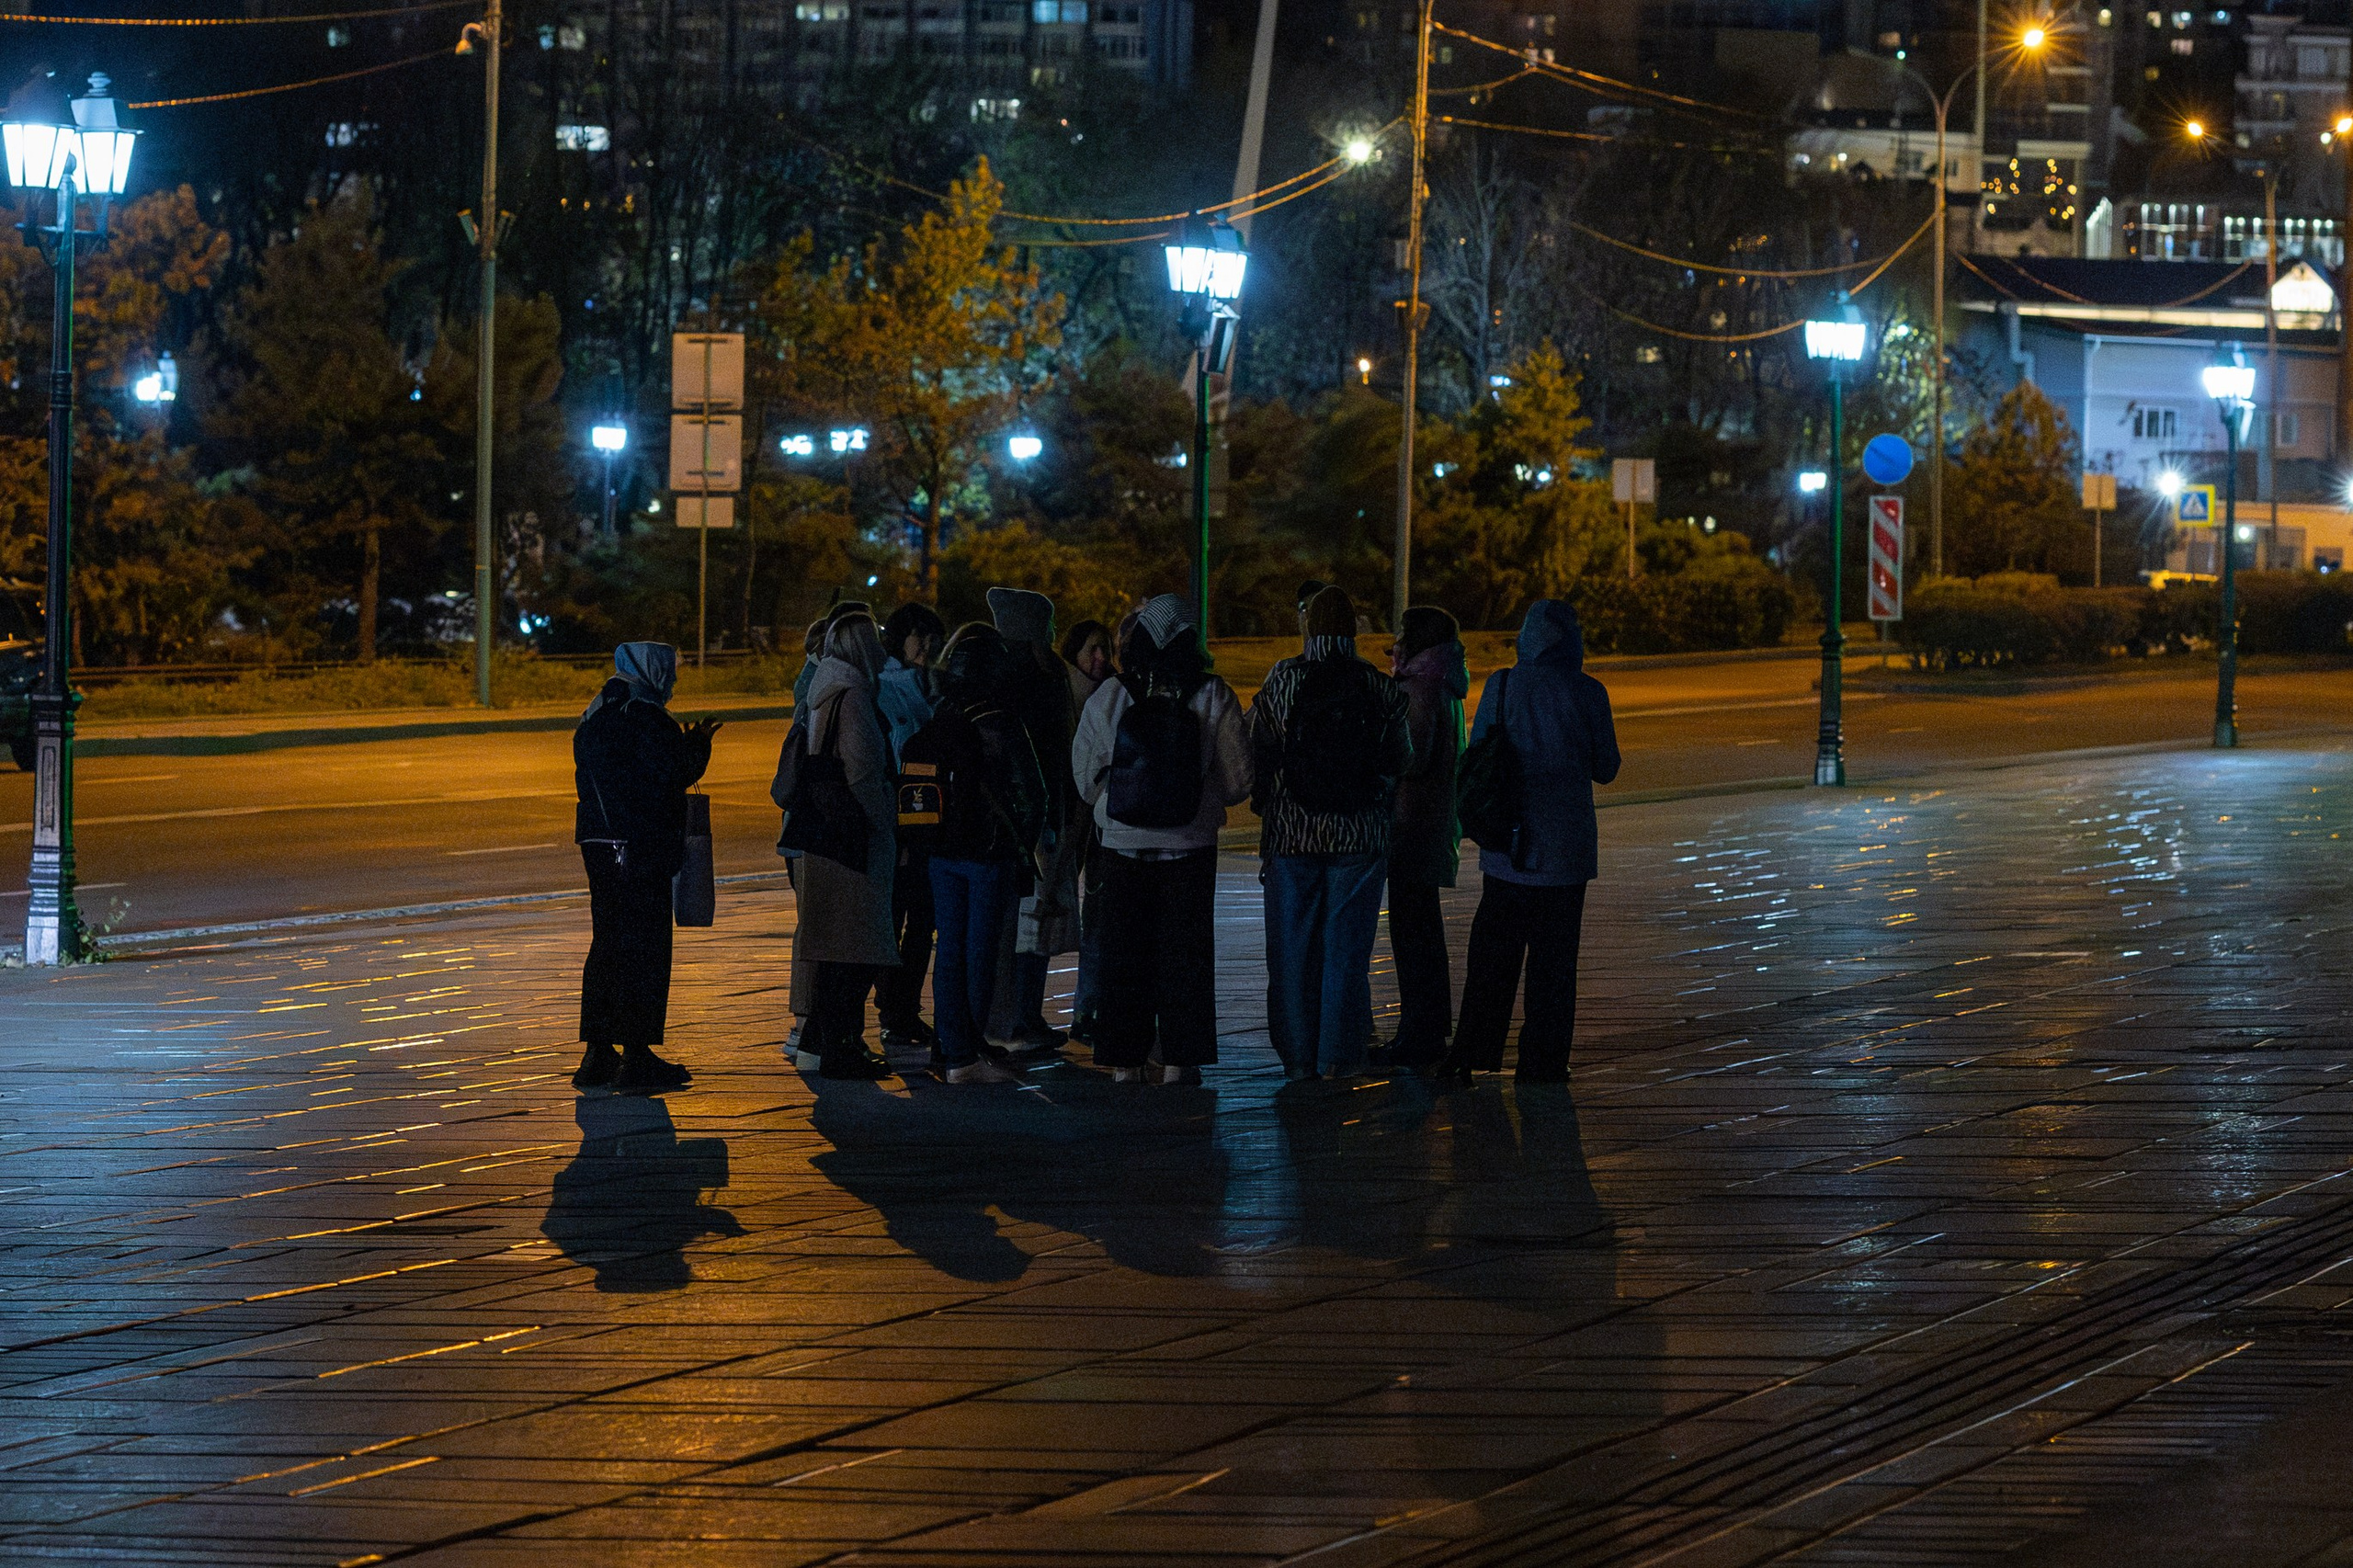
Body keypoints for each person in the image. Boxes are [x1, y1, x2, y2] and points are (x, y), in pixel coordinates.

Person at [1071, 594, 1252, 1085]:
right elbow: (1238, 782)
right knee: (1186, 953)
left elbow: (1086, 782)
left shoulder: (1110, 695)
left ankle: (1124, 1059)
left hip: (1122, 847)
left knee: (1124, 953)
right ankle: (1179, 1057)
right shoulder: (1213, 694)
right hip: (1190, 847)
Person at [1440, 598, 1620, 1085]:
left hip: (1507, 848)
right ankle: (1542, 1060)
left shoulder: (1500, 685)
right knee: (1555, 963)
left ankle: (1475, 1049)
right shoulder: (1588, 693)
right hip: (1566, 852)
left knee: (1493, 955)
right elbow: (1607, 768)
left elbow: (1479, 755)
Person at [1245, 585, 1412, 1081]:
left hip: (1292, 837)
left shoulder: (1284, 682)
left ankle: (1298, 1059)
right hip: (1358, 839)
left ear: (1309, 627)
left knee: (1292, 952)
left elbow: (1260, 749)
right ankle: (1338, 1056)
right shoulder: (1379, 687)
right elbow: (1401, 758)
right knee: (1346, 952)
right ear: (1354, 628)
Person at [572, 642, 718, 1094]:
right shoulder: (648, 715)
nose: (673, 680)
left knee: (608, 944)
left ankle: (597, 1053)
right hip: (640, 845)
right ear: (651, 670)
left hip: (598, 841)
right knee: (646, 948)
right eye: (670, 671)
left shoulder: (596, 711)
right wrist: (697, 746)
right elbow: (669, 774)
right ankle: (638, 1056)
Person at [910, 625, 1048, 1084]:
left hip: (940, 851)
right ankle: (965, 1056)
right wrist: (1021, 845)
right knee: (981, 952)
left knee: (948, 948)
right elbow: (1034, 793)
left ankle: (950, 1047)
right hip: (989, 854)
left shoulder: (942, 714)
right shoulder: (1002, 720)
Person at [770, 612, 900, 1080]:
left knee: (830, 951)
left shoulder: (821, 691)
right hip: (852, 837)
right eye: (878, 640)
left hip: (820, 832)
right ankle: (842, 1047)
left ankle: (816, 1043)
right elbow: (863, 772)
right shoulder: (854, 696)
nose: (885, 650)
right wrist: (887, 819)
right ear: (862, 646)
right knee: (856, 950)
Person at [986, 586, 1081, 1054]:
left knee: (1018, 922)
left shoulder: (1000, 673)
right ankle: (1023, 1016)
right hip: (1045, 812)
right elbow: (1057, 753)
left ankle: (1010, 1016)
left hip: (1014, 816)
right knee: (1038, 918)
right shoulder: (1046, 677)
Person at [1374, 607, 1469, 1070]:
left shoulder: (1419, 688)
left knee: (1412, 934)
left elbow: (1411, 757)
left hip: (1412, 825)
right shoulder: (1447, 684)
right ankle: (1429, 1028)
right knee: (1423, 930)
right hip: (1435, 823)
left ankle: (1420, 1033)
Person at [875, 602, 947, 1051]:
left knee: (923, 922)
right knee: (896, 917)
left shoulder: (931, 681)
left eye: (932, 635)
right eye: (917, 635)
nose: (926, 644)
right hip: (903, 818)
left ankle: (905, 1010)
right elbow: (898, 748)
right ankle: (893, 1010)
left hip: (931, 819)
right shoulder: (884, 686)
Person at [1058, 618, 1114, 1045]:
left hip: (1097, 823)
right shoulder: (1062, 694)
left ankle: (1088, 1010)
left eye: (1105, 649)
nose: (1100, 658)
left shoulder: (1113, 696)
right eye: (1091, 649)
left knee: (1098, 918)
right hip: (1067, 817)